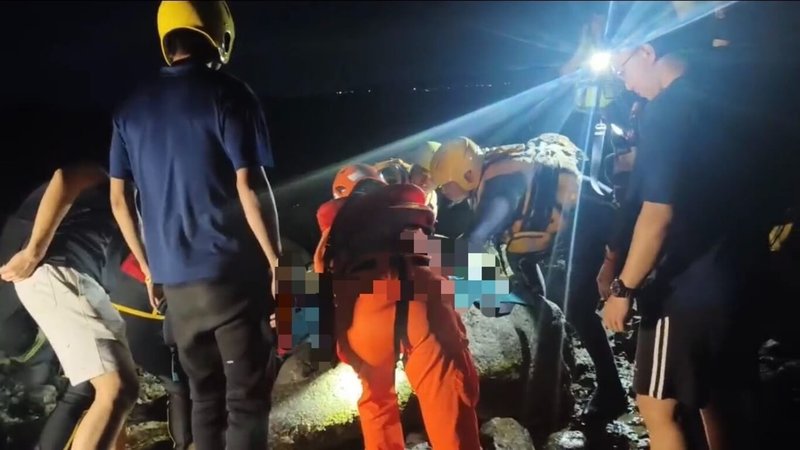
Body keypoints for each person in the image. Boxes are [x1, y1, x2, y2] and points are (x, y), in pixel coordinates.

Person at [108, 2, 281, 449]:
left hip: (177, 289)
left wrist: (149, 269)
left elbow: (119, 201)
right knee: (246, 401)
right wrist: (277, 261)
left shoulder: (129, 110)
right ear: (220, 34)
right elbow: (249, 184)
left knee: (205, 399)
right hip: (231, 279)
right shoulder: (230, 93)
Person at [602, 26, 776, 450]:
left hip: (686, 284)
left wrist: (624, 287)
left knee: (658, 405)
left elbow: (658, 214)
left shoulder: (666, 110)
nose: (623, 81)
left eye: (621, 68)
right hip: (740, 267)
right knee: (724, 394)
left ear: (647, 51)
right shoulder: (723, 98)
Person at [428, 134, 584, 430]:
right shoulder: (489, 174)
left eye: (446, 185)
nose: (445, 193)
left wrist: (450, 279)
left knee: (580, 311)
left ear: (467, 174)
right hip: (540, 243)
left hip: (578, 236)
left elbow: (476, 239)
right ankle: (547, 319)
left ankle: (595, 386)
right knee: (524, 269)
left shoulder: (500, 185)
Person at [321, 181, 481, 450]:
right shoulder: (410, 213)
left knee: (377, 404)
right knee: (449, 398)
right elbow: (453, 267)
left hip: (365, 312)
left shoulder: (334, 228)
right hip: (423, 299)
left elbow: (321, 283)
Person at [0, 164, 140, 450]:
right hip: (59, 273)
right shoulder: (107, 175)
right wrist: (33, 251)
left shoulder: (136, 201)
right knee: (116, 388)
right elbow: (65, 177)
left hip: (86, 282)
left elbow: (130, 261)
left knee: (113, 388)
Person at [372, 141, 442, 216]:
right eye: (422, 173)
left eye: (433, 179)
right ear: (414, 168)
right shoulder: (393, 176)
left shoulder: (431, 200)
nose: (425, 182)